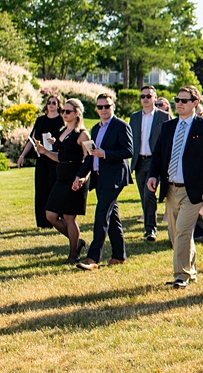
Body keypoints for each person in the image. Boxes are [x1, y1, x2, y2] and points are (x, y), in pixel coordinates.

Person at [147, 86, 203, 288]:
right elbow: (158, 154)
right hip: (170, 188)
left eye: (184, 100)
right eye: (177, 99)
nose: (179, 103)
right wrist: (153, 176)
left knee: (183, 231)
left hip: (193, 189)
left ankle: (181, 276)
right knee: (177, 231)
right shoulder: (168, 127)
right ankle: (191, 271)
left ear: (195, 103)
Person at [76, 91, 133, 270]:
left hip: (115, 178)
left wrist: (105, 154)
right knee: (112, 217)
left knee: (101, 216)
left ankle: (93, 259)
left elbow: (128, 151)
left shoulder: (121, 126)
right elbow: (91, 156)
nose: (103, 109)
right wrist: (80, 175)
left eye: (107, 106)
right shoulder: (96, 128)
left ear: (113, 107)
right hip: (99, 177)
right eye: (100, 107)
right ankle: (119, 255)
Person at [40, 99, 92, 264]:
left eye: (68, 111)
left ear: (77, 113)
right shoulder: (62, 131)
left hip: (75, 179)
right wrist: (44, 151)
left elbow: (91, 157)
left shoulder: (83, 134)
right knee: (50, 214)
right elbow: (61, 157)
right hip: (61, 177)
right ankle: (77, 242)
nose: (65, 114)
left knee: (70, 218)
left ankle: (73, 255)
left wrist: (83, 177)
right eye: (64, 111)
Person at [19, 96, 66, 230]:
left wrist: (56, 142)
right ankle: (43, 222)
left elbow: (68, 139)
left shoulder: (62, 120)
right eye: (49, 103)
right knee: (41, 189)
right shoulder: (41, 120)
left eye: (54, 103)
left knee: (54, 189)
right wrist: (22, 155)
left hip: (56, 159)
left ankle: (57, 219)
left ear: (58, 105)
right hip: (42, 160)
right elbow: (32, 139)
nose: (51, 105)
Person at [130, 86, 169, 242]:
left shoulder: (164, 116)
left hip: (155, 160)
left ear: (155, 98)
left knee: (149, 194)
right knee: (143, 196)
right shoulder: (134, 117)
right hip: (139, 160)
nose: (145, 99)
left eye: (148, 96)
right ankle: (149, 227)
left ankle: (150, 229)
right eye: (142, 96)